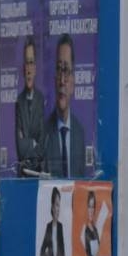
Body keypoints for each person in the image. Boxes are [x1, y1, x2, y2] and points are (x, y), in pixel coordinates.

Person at [43, 33, 86, 178]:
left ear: (73, 82)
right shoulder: (43, 134)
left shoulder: (80, 134)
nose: (62, 80)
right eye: (59, 69)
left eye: (66, 71)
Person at [15, 36, 45, 175]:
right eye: (26, 63)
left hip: (38, 173)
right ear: (23, 68)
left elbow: (42, 145)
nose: (28, 69)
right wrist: (32, 142)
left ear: (35, 68)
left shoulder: (41, 100)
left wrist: (28, 141)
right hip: (22, 174)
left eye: (31, 62)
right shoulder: (19, 102)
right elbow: (20, 148)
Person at [39, 186, 66, 256]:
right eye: (56, 205)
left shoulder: (61, 227)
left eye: (59, 205)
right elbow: (42, 250)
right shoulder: (48, 227)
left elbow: (62, 252)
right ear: (52, 206)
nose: (58, 209)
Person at [83, 191, 100, 256]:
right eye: (89, 206)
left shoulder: (95, 229)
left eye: (93, 207)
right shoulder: (83, 230)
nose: (91, 210)